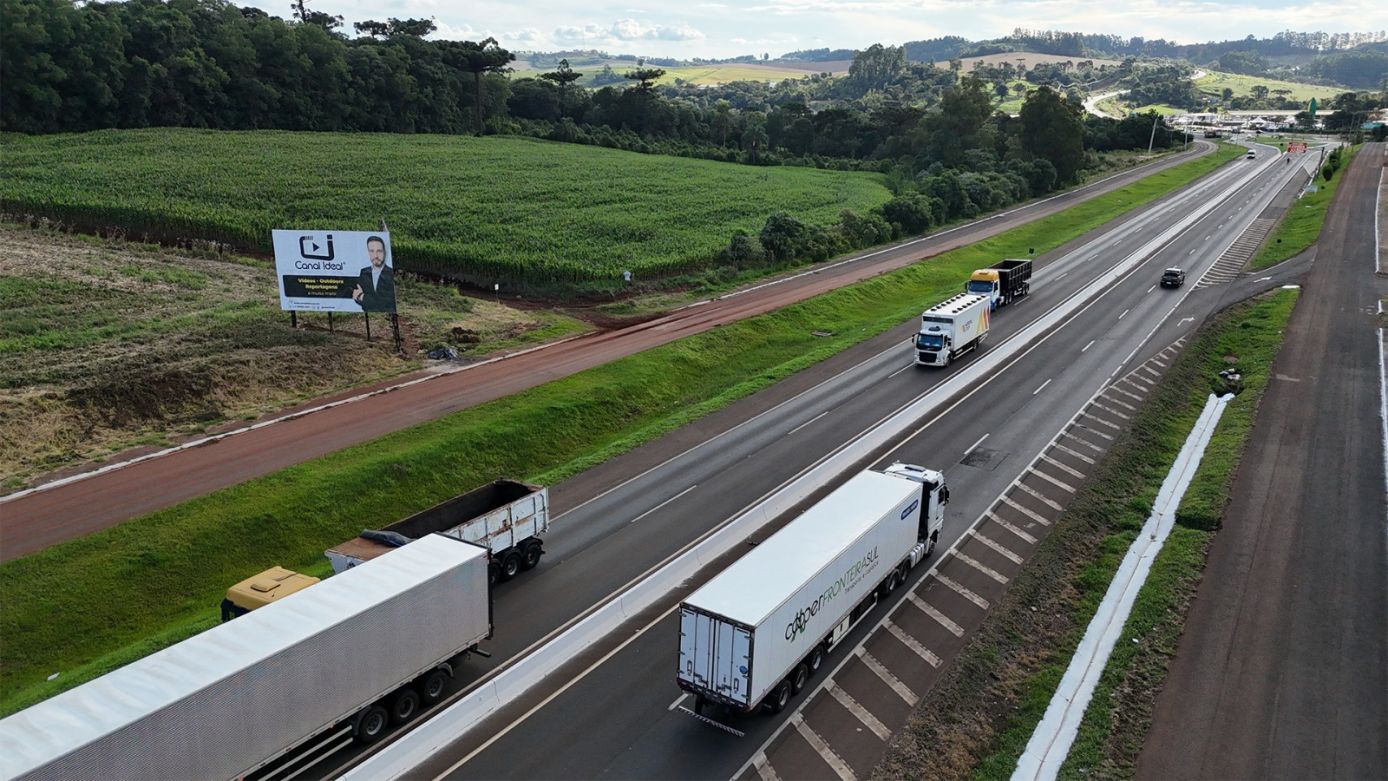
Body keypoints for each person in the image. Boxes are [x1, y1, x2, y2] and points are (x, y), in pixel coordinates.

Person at [353, 235, 396, 313]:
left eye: (379, 251)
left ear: (384, 252)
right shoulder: (363, 272)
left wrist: (362, 296)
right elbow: (357, 297)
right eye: (372, 251)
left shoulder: (390, 273)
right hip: (369, 314)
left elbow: (385, 303)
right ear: (368, 252)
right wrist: (361, 298)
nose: (375, 256)